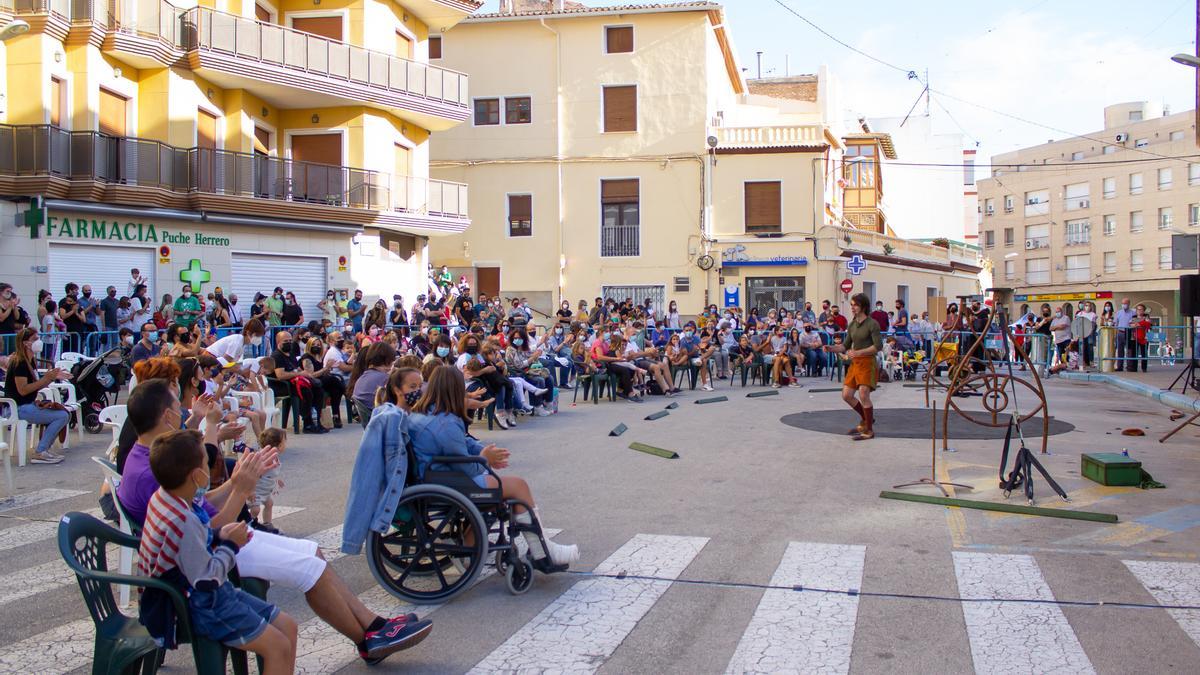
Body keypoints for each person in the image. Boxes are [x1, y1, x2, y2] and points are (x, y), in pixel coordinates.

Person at [121, 380, 430, 664]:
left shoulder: (156, 458)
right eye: (179, 407)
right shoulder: (152, 472)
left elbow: (199, 507)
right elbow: (202, 529)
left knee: (311, 552)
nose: (186, 411)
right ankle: (367, 639)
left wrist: (237, 479)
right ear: (166, 416)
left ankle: (373, 627)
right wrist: (241, 490)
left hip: (208, 549)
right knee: (309, 568)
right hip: (204, 563)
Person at [137, 429, 299, 671]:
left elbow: (193, 542)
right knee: (278, 646)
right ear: (197, 476)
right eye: (206, 462)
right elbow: (207, 579)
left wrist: (219, 534)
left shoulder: (165, 496)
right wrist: (230, 544)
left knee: (288, 627)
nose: (210, 465)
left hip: (210, 593)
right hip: (201, 604)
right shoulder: (181, 519)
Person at [406, 367, 579, 567]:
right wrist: (485, 459)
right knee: (517, 486)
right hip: (448, 482)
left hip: (435, 477)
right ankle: (541, 551)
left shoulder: (427, 414)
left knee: (506, 489)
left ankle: (489, 543)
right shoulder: (445, 423)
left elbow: (461, 443)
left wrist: (484, 451)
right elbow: (468, 467)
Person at [3, 327, 69, 463]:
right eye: (35, 339)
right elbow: (23, 390)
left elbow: (35, 386)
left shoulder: (30, 360)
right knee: (62, 416)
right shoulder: (19, 362)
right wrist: (47, 379)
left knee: (63, 413)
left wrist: (52, 378)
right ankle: (41, 451)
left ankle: (43, 449)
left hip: (27, 404)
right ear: (25, 343)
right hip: (17, 407)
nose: (38, 342)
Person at [825, 293, 882, 441]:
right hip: (855, 363)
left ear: (863, 306)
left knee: (863, 394)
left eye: (855, 305)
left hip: (868, 362)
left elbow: (878, 346)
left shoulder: (872, 324)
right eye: (851, 305)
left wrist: (857, 352)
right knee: (847, 395)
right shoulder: (852, 325)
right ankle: (867, 418)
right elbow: (845, 346)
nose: (852, 308)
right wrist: (831, 348)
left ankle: (869, 430)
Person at [249, 427, 287, 533]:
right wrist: (251, 491)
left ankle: (267, 523)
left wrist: (277, 480)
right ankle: (249, 525)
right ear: (279, 445)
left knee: (269, 504)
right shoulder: (265, 457)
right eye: (284, 441)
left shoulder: (274, 456)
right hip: (257, 490)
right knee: (255, 509)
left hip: (266, 490)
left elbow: (271, 473)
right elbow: (255, 474)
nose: (286, 444)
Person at [348, 341, 397, 423]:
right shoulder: (384, 378)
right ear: (387, 360)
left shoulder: (363, 377)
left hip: (371, 421)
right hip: (383, 420)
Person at [1114, 298, 1135, 371]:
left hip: (1129, 332)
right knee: (1120, 350)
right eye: (1123, 303)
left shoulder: (1133, 313)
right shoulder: (1118, 313)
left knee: (1129, 350)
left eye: (1125, 304)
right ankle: (1119, 366)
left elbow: (1134, 322)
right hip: (1120, 332)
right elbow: (1115, 323)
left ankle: (1129, 366)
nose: (1124, 305)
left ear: (1129, 304)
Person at [1132, 304, 1152, 373]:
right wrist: (1141, 323)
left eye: (1141, 309)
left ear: (1143, 311)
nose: (1139, 311)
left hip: (1144, 338)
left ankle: (1144, 368)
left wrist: (1138, 324)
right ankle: (1134, 368)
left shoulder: (1147, 317)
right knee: (1134, 354)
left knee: (1144, 354)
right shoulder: (1133, 317)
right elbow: (1131, 325)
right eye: (1138, 309)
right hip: (1135, 337)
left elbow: (1148, 324)